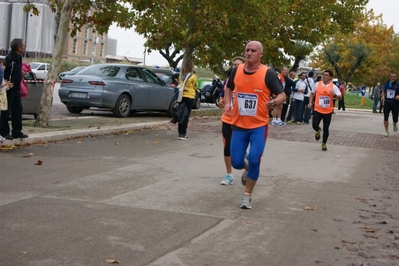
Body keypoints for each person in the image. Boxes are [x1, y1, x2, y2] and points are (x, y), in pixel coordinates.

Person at [224, 41, 285, 209]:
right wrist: (228, 102)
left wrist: (273, 101)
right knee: (236, 162)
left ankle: (247, 195)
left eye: (253, 51)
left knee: (255, 159)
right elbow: (229, 88)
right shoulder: (236, 70)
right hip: (239, 125)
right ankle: (248, 167)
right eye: (247, 50)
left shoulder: (268, 74)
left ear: (260, 54)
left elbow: (282, 95)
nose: (249, 53)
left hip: (258, 126)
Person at [219, 56, 246, 185]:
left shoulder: (247, 81)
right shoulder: (227, 81)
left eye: (238, 65)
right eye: (234, 64)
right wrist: (221, 102)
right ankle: (229, 175)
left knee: (238, 150)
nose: (235, 67)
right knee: (227, 148)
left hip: (242, 120)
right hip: (227, 118)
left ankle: (247, 165)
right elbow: (222, 98)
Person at [0, 39, 28, 140]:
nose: (24, 47)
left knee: (18, 109)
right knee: (5, 111)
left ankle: (16, 132)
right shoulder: (9, 58)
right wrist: (5, 83)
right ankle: (3, 132)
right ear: (18, 47)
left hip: (16, 88)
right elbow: (2, 69)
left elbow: (16, 70)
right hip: (8, 88)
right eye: (23, 45)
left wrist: (21, 73)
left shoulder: (19, 57)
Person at [308, 70, 342, 151]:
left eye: (326, 75)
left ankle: (324, 143)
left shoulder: (333, 87)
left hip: (328, 111)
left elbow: (340, 97)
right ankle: (318, 130)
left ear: (330, 77)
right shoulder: (317, 84)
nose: (324, 76)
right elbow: (312, 93)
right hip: (317, 109)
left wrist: (334, 94)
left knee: (326, 128)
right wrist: (310, 102)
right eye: (323, 75)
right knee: (314, 125)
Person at [176, 59, 197, 140]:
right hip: (190, 96)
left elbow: (179, 84)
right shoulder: (193, 76)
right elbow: (195, 86)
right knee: (186, 115)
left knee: (181, 114)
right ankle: (183, 134)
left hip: (181, 96)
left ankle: (179, 133)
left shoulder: (180, 75)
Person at [381, 72, 399, 137]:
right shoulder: (386, 84)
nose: (393, 78)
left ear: (396, 77)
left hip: (395, 103)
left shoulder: (398, 84)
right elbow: (383, 90)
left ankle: (395, 123)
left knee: (395, 118)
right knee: (385, 117)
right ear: (390, 77)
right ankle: (386, 131)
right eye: (392, 77)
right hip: (387, 103)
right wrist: (383, 96)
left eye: (394, 77)